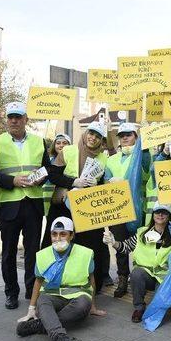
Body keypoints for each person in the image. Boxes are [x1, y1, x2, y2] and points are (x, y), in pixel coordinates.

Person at [0, 102, 50, 310]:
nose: (14, 121)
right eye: (10, 117)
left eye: (18, 117)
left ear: (26, 120)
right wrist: (11, 181)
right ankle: (10, 292)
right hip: (9, 205)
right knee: (8, 252)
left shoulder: (39, 142)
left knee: (33, 251)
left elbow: (47, 169)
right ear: (7, 119)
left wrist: (39, 178)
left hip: (32, 204)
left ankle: (32, 290)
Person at [16, 217, 106, 341]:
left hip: (78, 294)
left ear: (71, 235)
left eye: (63, 234)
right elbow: (38, 282)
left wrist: (93, 306)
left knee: (83, 304)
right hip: (52, 295)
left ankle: (41, 324)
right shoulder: (42, 255)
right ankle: (61, 339)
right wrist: (31, 309)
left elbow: (91, 280)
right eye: (54, 234)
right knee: (43, 299)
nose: (58, 238)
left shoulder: (85, 253)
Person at [45, 122, 108, 292]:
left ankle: (91, 285)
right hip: (63, 207)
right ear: (85, 133)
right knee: (61, 243)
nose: (92, 138)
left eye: (97, 136)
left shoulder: (103, 157)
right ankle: (55, 281)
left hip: (89, 209)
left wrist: (98, 183)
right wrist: (73, 182)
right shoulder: (69, 150)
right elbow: (53, 175)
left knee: (90, 246)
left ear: (101, 140)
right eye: (91, 133)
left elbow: (105, 184)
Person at [104, 203, 171, 322]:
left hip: (165, 278)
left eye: (164, 212)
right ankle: (139, 308)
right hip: (146, 275)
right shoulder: (141, 233)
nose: (160, 214)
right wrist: (113, 242)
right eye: (157, 212)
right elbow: (126, 247)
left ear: (169, 215)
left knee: (161, 307)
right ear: (153, 214)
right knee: (136, 273)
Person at [104, 122, 150, 298]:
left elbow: (146, 171)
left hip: (139, 207)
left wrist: (144, 147)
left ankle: (140, 276)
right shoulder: (111, 159)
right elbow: (107, 180)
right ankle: (122, 277)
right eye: (122, 135)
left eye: (129, 134)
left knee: (140, 243)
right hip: (118, 208)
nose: (124, 137)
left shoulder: (142, 155)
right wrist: (110, 183)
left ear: (136, 137)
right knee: (119, 244)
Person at [145, 139, 171, 226]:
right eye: (169, 158)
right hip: (157, 227)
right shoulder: (158, 177)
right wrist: (165, 152)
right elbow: (154, 169)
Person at [43, 134, 71, 215]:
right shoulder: (49, 161)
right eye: (58, 143)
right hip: (49, 201)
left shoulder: (73, 161)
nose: (61, 145)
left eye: (64, 143)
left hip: (67, 200)